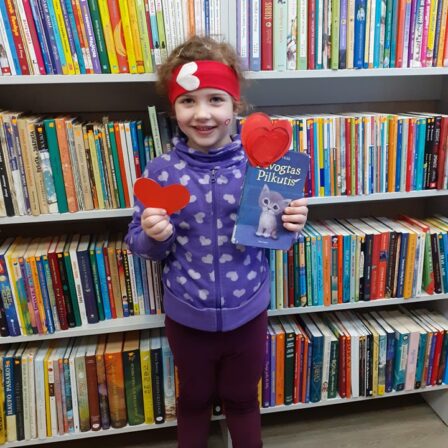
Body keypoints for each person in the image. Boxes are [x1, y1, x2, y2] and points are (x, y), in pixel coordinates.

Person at [125, 36, 308, 448]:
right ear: (173, 108)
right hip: (187, 317)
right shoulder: (161, 171)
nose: (203, 113)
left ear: (235, 106)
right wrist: (153, 235)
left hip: (248, 314)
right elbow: (138, 242)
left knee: (242, 400)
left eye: (216, 100)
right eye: (188, 101)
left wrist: (293, 223)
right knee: (194, 401)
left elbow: (277, 235)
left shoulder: (262, 166)